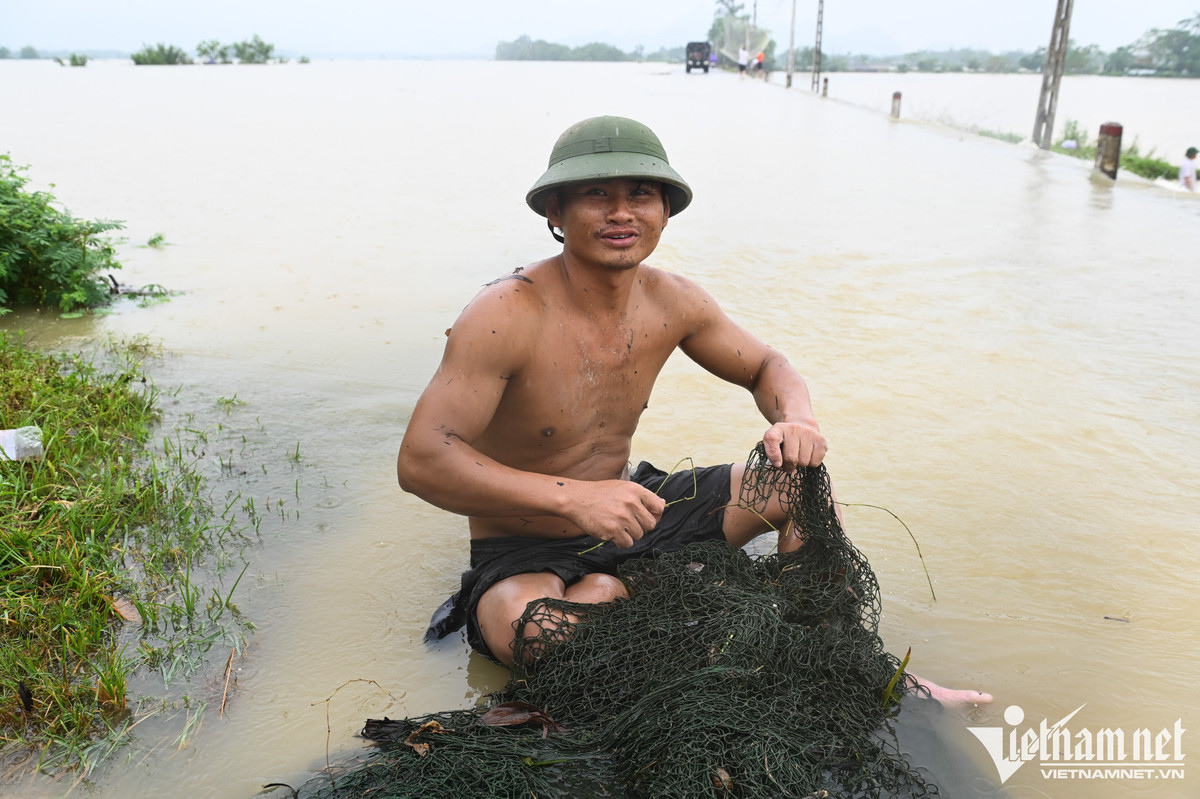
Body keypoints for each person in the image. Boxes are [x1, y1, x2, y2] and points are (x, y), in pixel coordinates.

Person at [397, 116, 991, 705]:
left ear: (665, 211)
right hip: (524, 546)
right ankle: (622, 591)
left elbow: (766, 367)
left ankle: (842, 661)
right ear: (555, 211)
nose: (621, 212)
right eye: (596, 194)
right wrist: (574, 497)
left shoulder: (672, 301)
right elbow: (423, 460)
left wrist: (798, 419)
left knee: (798, 485)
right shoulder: (506, 312)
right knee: (538, 637)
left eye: (642, 194)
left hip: (639, 513)